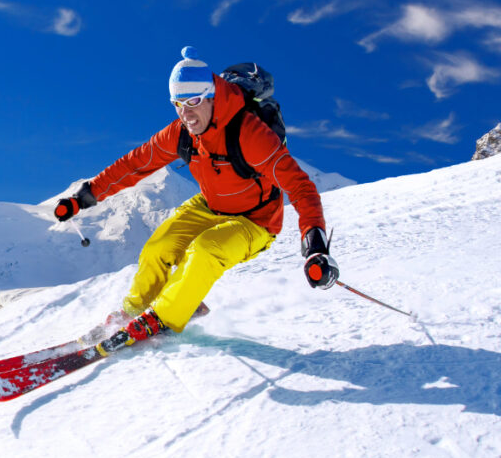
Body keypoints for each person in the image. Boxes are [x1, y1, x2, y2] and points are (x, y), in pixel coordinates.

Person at [54, 46, 339, 345]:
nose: (186, 114)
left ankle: (162, 319)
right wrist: (82, 198)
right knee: (158, 248)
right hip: (210, 205)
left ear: (213, 96)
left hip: (256, 219)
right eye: (178, 104)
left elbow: (300, 187)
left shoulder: (250, 133)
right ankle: (133, 312)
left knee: (205, 250)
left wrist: (315, 246)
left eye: (193, 102)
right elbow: (134, 164)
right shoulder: (181, 133)